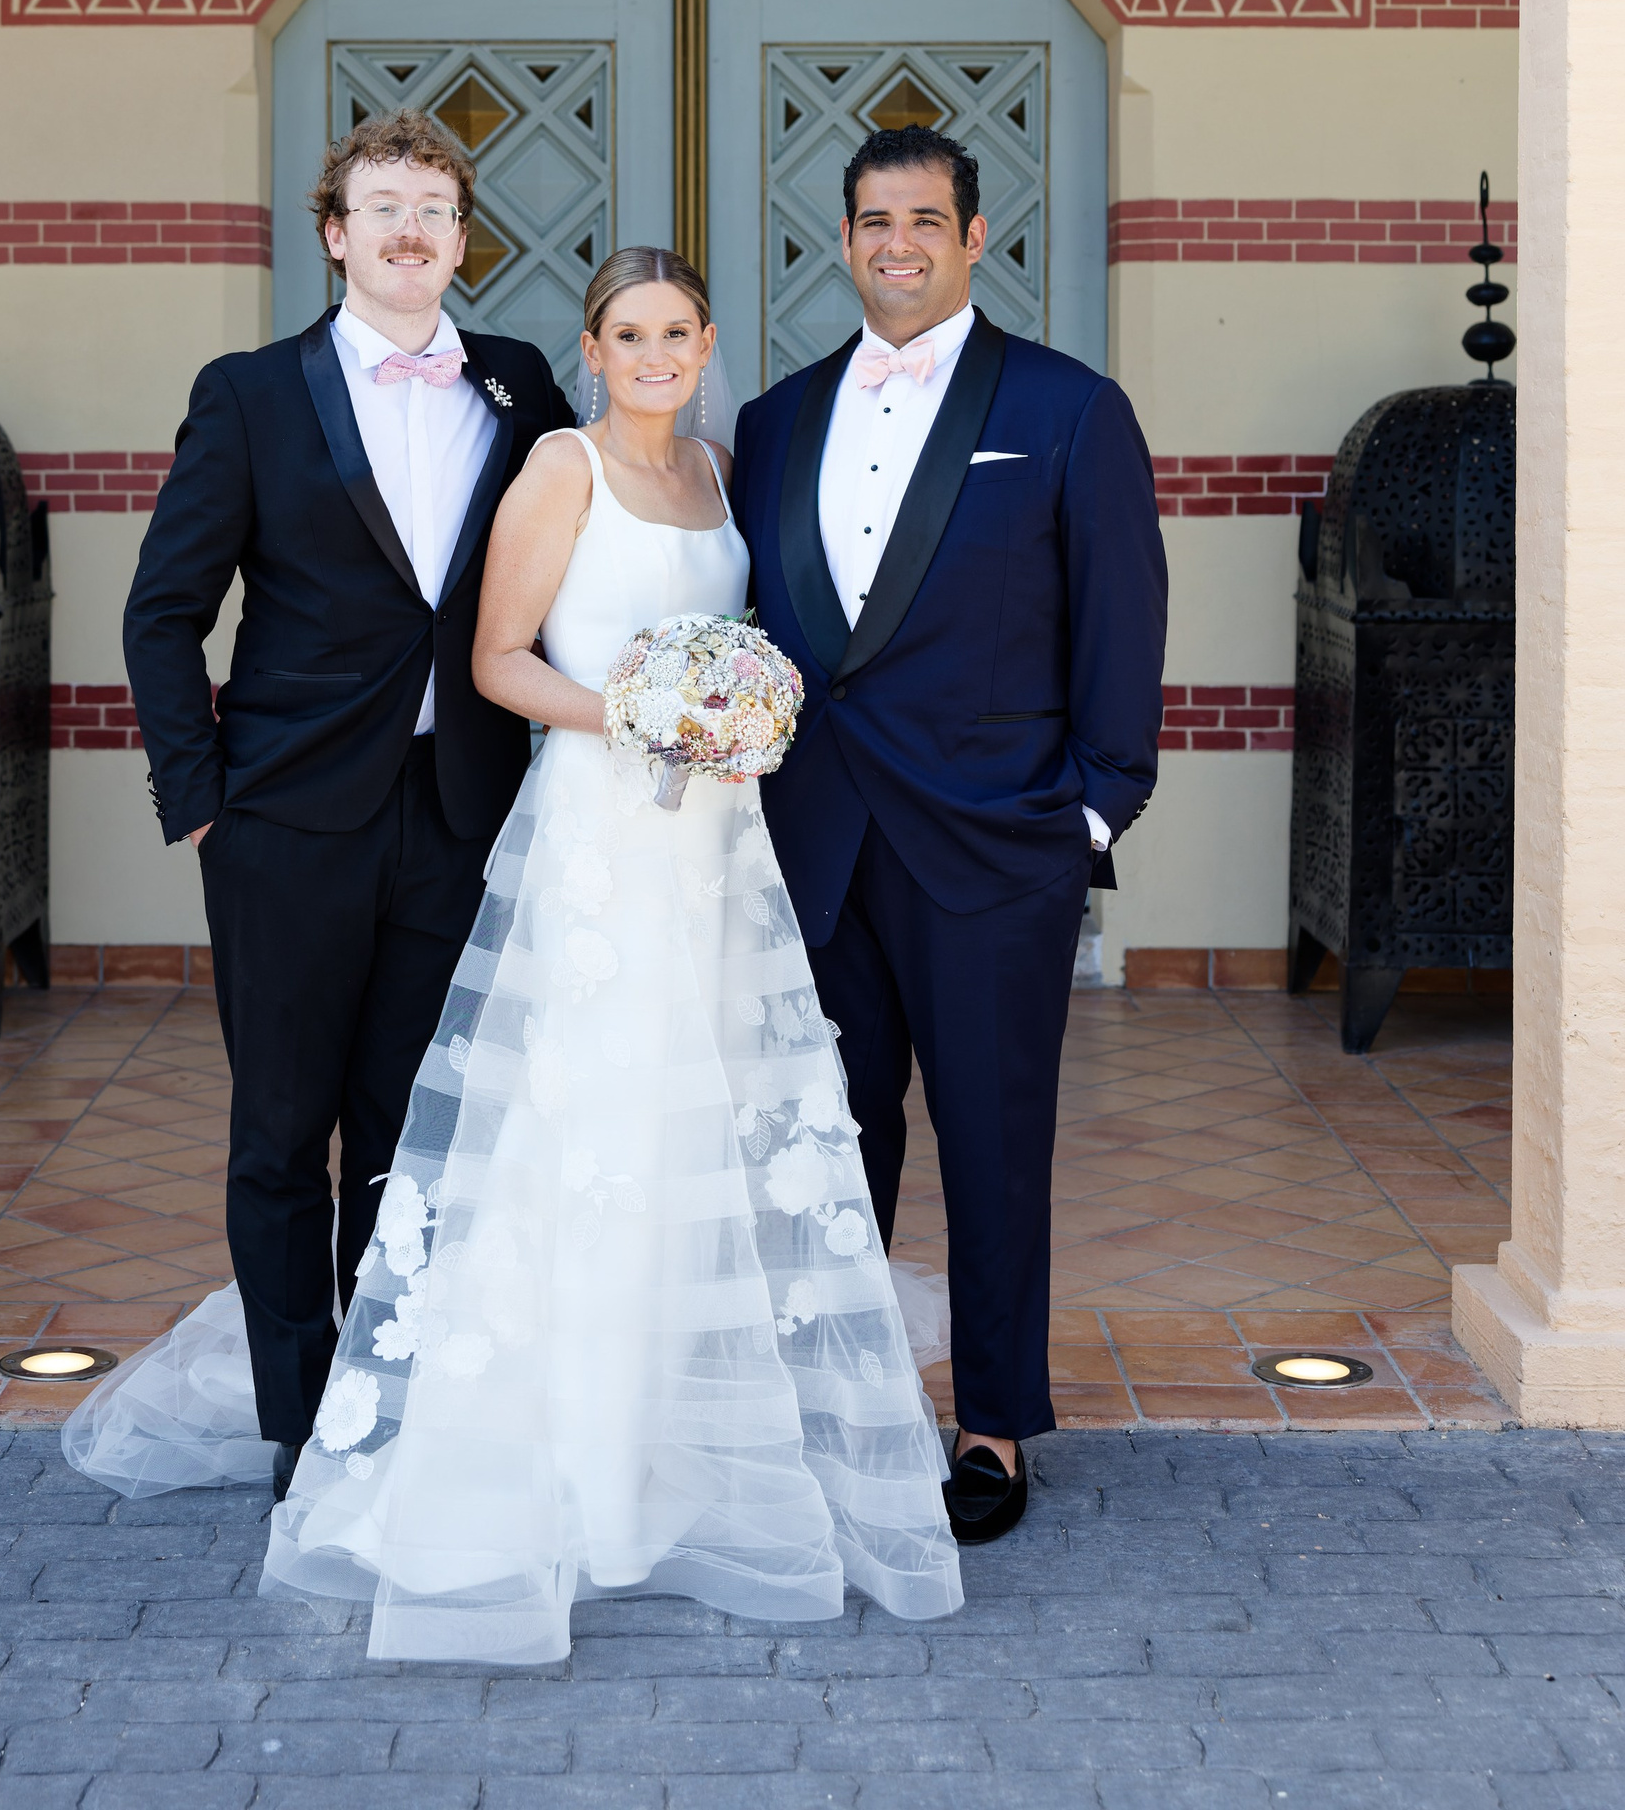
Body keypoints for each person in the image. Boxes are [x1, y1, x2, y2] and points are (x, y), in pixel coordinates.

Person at [70, 246, 960, 1663]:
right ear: (590, 351)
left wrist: (740, 714)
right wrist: (648, 718)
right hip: (598, 834)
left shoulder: (723, 474)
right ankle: (555, 1457)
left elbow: (745, 633)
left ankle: (671, 1431)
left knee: (695, 1126)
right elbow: (496, 658)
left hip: (712, 851)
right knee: (574, 1123)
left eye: (677, 332)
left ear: (706, 345)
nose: (655, 355)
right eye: (628, 334)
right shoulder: (557, 463)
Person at [118, 109, 572, 1495]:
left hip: (456, 811)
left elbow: (581, 550)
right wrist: (203, 801)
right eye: (383, 206)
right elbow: (163, 611)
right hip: (285, 823)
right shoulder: (252, 394)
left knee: (408, 1131)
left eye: (433, 206)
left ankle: (384, 1407)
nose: (409, 229)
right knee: (280, 1134)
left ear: (462, 237)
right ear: (336, 234)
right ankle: (295, 1420)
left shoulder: (518, 384)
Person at [730, 125, 1167, 1546]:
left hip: (991, 845)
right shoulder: (776, 420)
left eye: (926, 219)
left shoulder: (1068, 408)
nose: (899, 243)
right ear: (844, 239)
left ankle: (992, 1422)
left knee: (992, 1144)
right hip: (817, 842)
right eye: (875, 220)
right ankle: (838, 1408)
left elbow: (1120, 617)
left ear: (976, 237)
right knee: (826, 1144)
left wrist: (1091, 809)